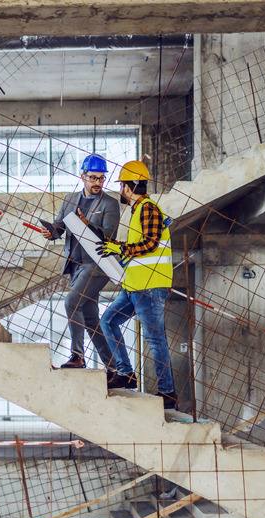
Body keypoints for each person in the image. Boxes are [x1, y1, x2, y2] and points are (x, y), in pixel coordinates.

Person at [95, 160, 179, 410]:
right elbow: (137, 248)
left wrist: (120, 247)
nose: (121, 190)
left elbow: (151, 243)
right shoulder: (137, 212)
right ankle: (126, 374)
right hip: (135, 286)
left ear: (131, 186)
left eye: (122, 185)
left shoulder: (148, 209)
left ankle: (168, 393)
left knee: (155, 340)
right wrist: (117, 250)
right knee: (108, 321)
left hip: (150, 286)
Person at [44, 154, 120, 375]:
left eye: (101, 179)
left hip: (97, 265)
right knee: (90, 319)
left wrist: (88, 225)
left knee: (71, 302)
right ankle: (114, 367)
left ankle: (77, 356)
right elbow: (59, 227)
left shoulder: (109, 204)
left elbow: (109, 236)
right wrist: (51, 233)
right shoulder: (69, 200)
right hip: (76, 266)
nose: (97, 183)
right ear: (83, 176)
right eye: (93, 178)